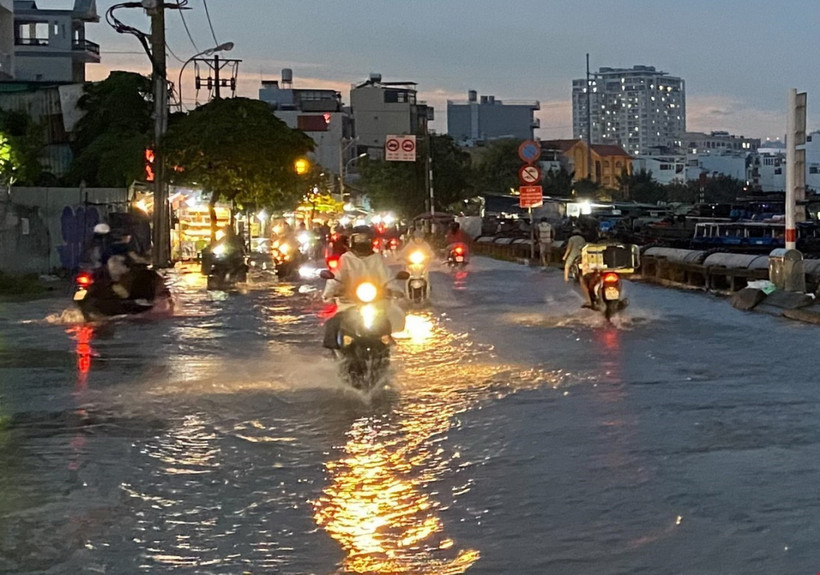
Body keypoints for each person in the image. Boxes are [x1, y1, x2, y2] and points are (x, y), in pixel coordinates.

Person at [322, 226, 405, 348]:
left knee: (386, 321)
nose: (362, 242)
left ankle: (385, 345)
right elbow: (336, 277)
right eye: (358, 238)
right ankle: (336, 350)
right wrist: (330, 293)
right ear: (351, 240)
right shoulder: (345, 259)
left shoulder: (377, 259)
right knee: (333, 323)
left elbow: (387, 277)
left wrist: (395, 290)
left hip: (375, 301)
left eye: (365, 239)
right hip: (349, 302)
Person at [399, 228, 435, 297]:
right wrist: (402, 257)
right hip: (410, 266)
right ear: (414, 238)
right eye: (417, 238)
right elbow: (403, 253)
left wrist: (430, 256)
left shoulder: (425, 245)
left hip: (423, 266)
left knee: (426, 277)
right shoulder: (410, 245)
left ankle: (427, 292)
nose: (419, 240)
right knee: (408, 278)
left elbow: (431, 253)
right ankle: (407, 292)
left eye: (420, 238)